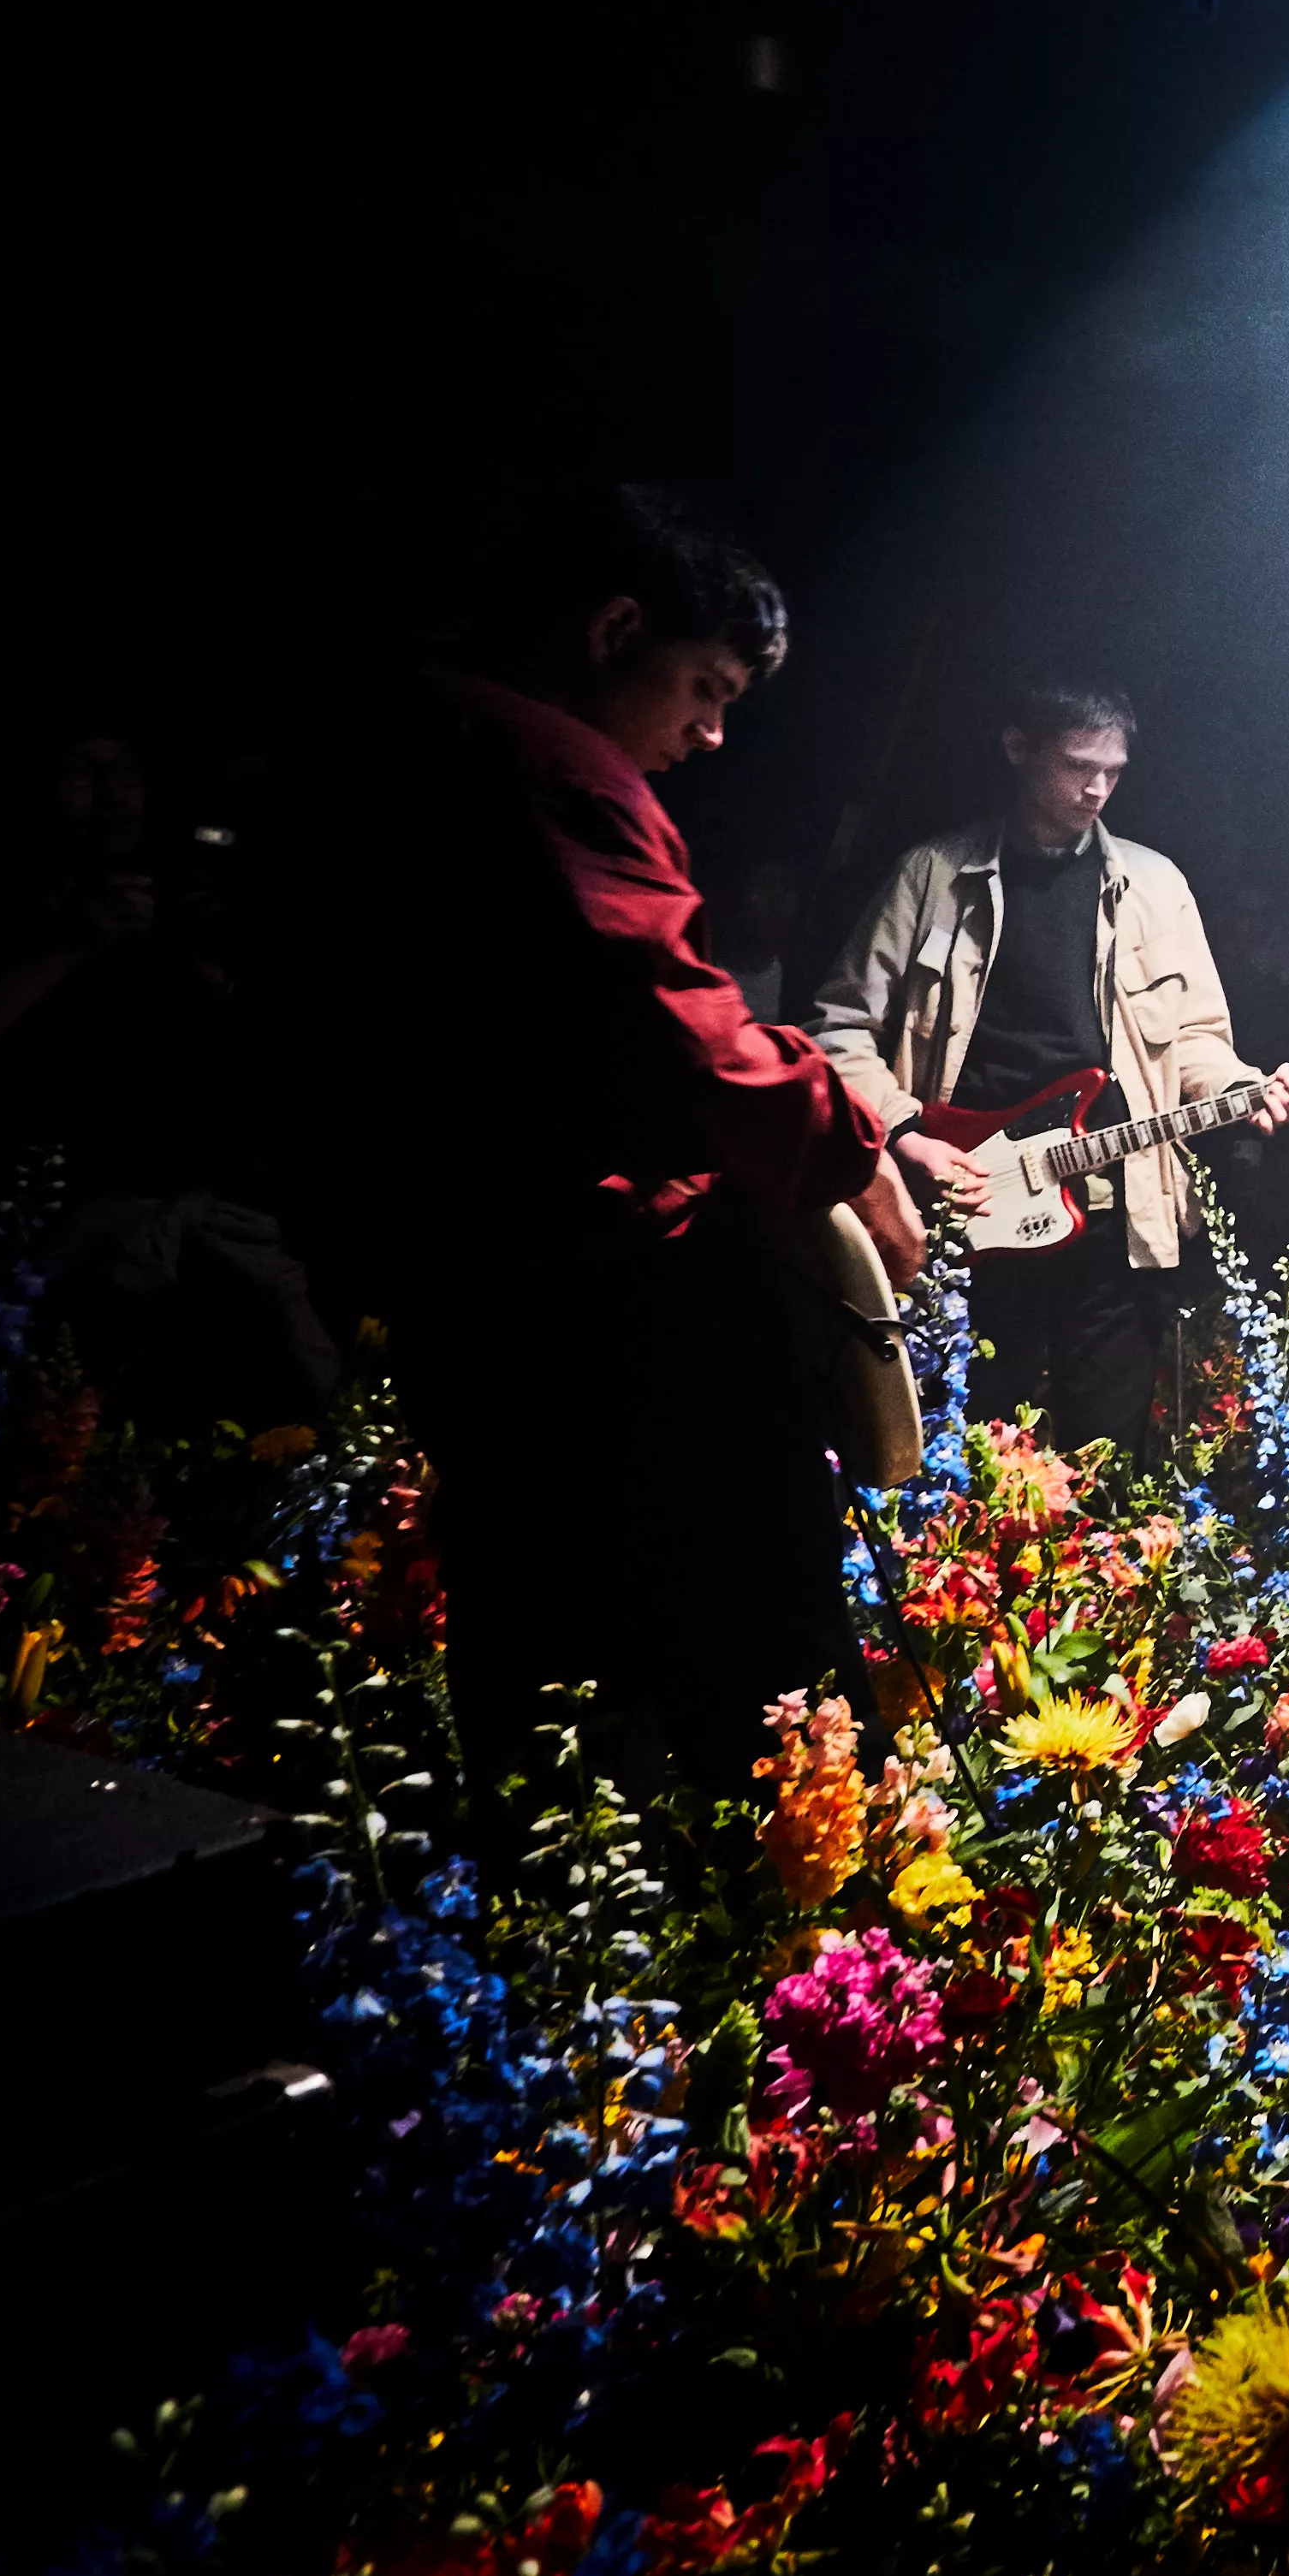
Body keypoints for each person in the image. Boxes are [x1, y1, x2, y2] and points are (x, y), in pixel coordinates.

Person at [246, 483, 910, 1803]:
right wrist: (848, 1147)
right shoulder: (552, 765)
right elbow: (685, 1033)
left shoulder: (392, 732)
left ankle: (551, 1929)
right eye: (705, 688)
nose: (712, 734)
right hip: (593, 1288)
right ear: (615, 628)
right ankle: (749, 1921)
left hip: (446, 1270)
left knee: (531, 1618)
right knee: (716, 1621)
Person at [807, 680, 1289, 1458]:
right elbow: (836, 1032)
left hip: (1113, 1220)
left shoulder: (1156, 885)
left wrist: (1243, 1089)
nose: (1098, 788)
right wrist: (908, 1137)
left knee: (1106, 1465)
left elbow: (1199, 1042)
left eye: (1114, 770)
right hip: (967, 1219)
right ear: (1018, 748)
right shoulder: (932, 876)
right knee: (960, 1456)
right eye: (1079, 765)